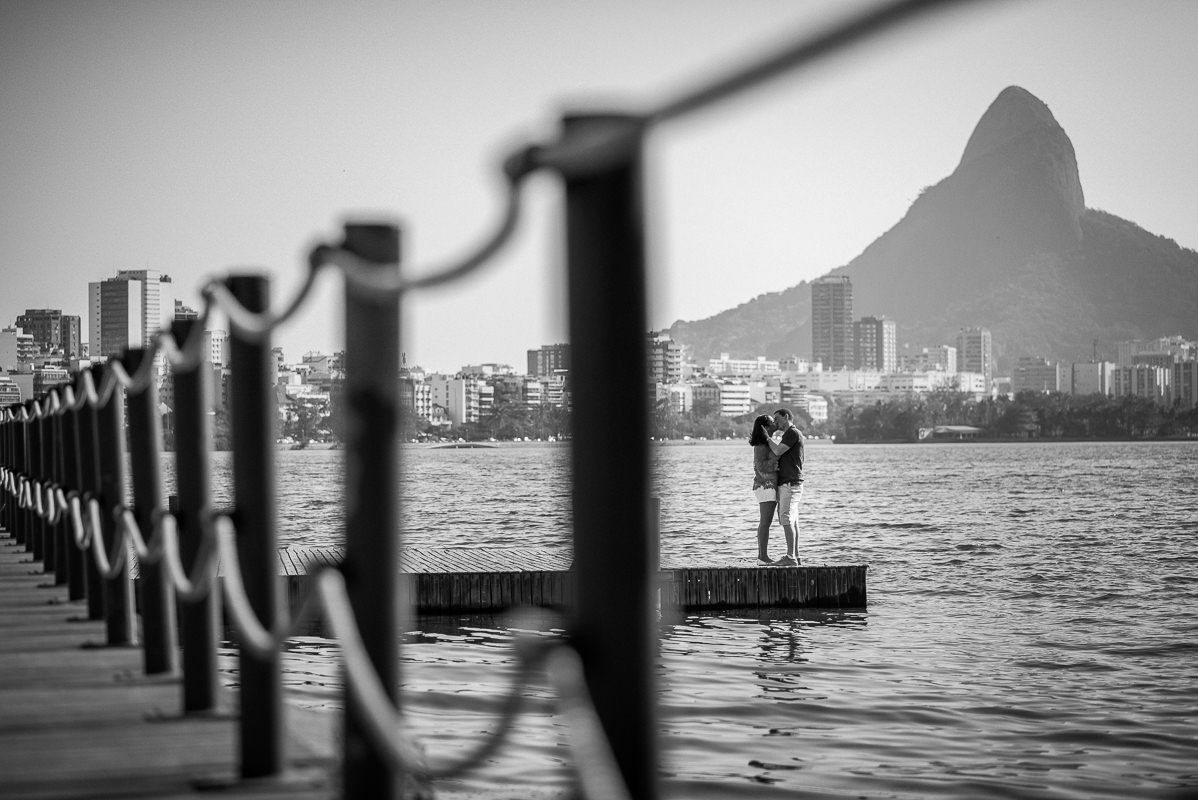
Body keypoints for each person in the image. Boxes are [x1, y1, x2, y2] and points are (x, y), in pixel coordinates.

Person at [766, 408, 804, 566]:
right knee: (793, 520)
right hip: (792, 482)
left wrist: (766, 437)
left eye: (777, 419)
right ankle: (795, 555)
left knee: (786, 519)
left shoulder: (792, 433)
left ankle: (790, 557)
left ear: (786, 417)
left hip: (790, 483)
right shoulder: (791, 434)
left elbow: (777, 451)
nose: (775, 423)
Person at [749, 414, 779, 565]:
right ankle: (763, 557)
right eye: (772, 423)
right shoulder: (762, 445)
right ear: (765, 427)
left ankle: (762, 555)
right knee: (765, 522)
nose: (775, 424)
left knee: (764, 522)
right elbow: (761, 467)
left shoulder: (765, 443)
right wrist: (776, 464)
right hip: (765, 486)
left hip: (765, 486)